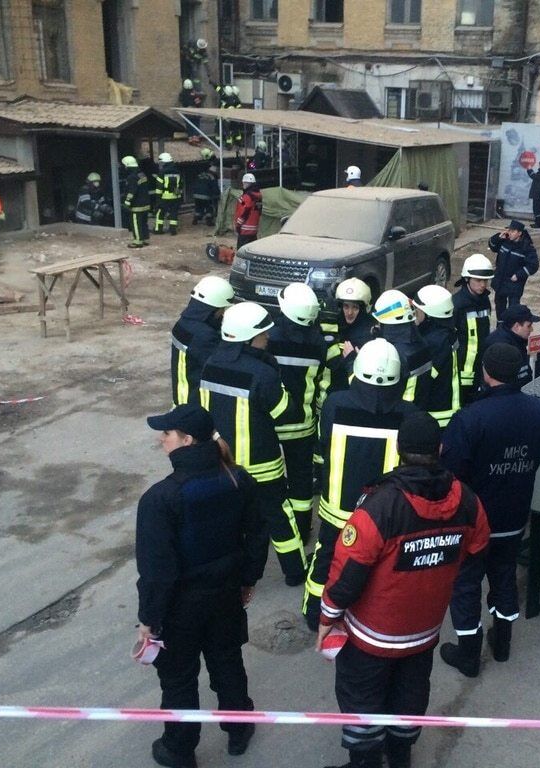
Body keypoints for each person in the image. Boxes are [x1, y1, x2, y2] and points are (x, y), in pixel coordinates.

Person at [318, 412, 490, 768]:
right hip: (424, 633)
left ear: (398, 450)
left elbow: (347, 575)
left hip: (370, 637)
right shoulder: (468, 501)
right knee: (410, 696)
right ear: (440, 448)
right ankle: (400, 756)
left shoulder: (379, 506)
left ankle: (364, 762)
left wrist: (327, 617)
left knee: (362, 698)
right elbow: (476, 553)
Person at [135, 403, 268, 768]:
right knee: (227, 661)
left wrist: (149, 619)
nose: (162, 440)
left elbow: (157, 571)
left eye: (166, 434)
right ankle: (239, 729)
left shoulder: (160, 499)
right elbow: (257, 533)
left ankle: (179, 749)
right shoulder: (237, 479)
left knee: (178, 678)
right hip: (226, 595)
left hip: (181, 608)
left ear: (187, 440)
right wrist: (247, 580)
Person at [438, 343, 540, 676]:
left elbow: (452, 470)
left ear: (486, 373)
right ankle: (502, 643)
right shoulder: (539, 412)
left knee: (466, 584)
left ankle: (469, 654)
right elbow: (538, 455)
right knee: (504, 576)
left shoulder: (470, 418)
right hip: (515, 516)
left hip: (475, 520)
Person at [302, 339, 417, 631]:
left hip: (337, 506)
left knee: (326, 556)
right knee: (379, 563)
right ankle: (367, 615)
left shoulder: (335, 403)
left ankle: (314, 612)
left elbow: (323, 447)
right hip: (382, 512)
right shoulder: (408, 414)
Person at [200, 302, 307, 586]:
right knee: (278, 516)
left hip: (224, 463)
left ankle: (227, 573)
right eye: (263, 334)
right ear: (249, 338)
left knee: (228, 520)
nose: (268, 338)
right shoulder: (263, 374)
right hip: (263, 465)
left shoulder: (211, 365)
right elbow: (286, 414)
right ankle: (295, 571)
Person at [268, 283, 328, 547]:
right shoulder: (319, 343)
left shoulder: (268, 338)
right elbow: (323, 386)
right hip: (302, 426)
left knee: (269, 481)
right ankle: (302, 532)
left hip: (270, 423)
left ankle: (275, 529)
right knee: (301, 482)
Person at [171, 276, 235, 407]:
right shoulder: (204, 336)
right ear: (213, 308)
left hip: (182, 396)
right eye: (222, 309)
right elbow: (223, 365)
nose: (222, 314)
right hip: (194, 402)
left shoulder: (184, 322)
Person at [372, 290, 433, 408]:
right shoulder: (422, 343)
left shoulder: (392, 354)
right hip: (418, 411)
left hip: (398, 416)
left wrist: (352, 360)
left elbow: (373, 392)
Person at [412, 284, 461, 427]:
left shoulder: (432, 343)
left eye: (417, 310)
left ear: (429, 314)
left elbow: (423, 380)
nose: (415, 314)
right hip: (448, 409)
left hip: (435, 416)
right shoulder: (447, 333)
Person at [452, 253, 495, 404]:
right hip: (461, 369)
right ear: (467, 279)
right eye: (478, 280)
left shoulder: (484, 301)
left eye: (485, 280)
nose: (483, 285)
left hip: (480, 367)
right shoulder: (457, 304)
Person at [324, 277, 378, 394]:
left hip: (354, 392)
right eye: (346, 306)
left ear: (364, 309)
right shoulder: (332, 324)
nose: (349, 312)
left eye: (355, 307)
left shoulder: (370, 333)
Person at [488, 219, 539, 320]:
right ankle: (500, 326)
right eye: (509, 230)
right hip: (501, 282)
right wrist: (498, 238)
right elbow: (492, 246)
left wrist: (519, 275)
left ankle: (511, 328)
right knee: (499, 306)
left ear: (519, 233)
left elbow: (533, 265)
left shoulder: (527, 247)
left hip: (514, 284)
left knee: (513, 309)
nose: (509, 233)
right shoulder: (504, 241)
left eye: (512, 231)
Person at [483, 304, 539, 389]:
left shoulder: (517, 339)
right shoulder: (500, 347)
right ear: (516, 326)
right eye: (529, 326)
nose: (531, 329)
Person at [121, 156, 152, 249]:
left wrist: (127, 203)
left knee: (136, 223)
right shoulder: (141, 174)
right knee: (143, 222)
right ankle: (145, 239)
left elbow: (131, 192)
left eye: (124, 165)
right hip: (146, 203)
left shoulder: (132, 177)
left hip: (137, 205)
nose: (124, 167)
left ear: (127, 165)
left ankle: (138, 241)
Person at [153, 152, 183, 235]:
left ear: (164, 162)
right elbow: (181, 184)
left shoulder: (162, 172)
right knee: (174, 212)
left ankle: (158, 229)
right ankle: (173, 230)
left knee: (160, 212)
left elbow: (159, 187)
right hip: (176, 196)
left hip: (165, 196)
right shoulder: (178, 171)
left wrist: (158, 199)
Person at [234, 173, 262, 249]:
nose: (243, 184)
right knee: (252, 250)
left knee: (241, 251)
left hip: (244, 229)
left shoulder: (247, 197)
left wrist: (238, 225)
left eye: (244, 182)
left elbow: (244, 212)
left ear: (247, 183)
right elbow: (259, 212)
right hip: (254, 229)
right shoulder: (258, 196)